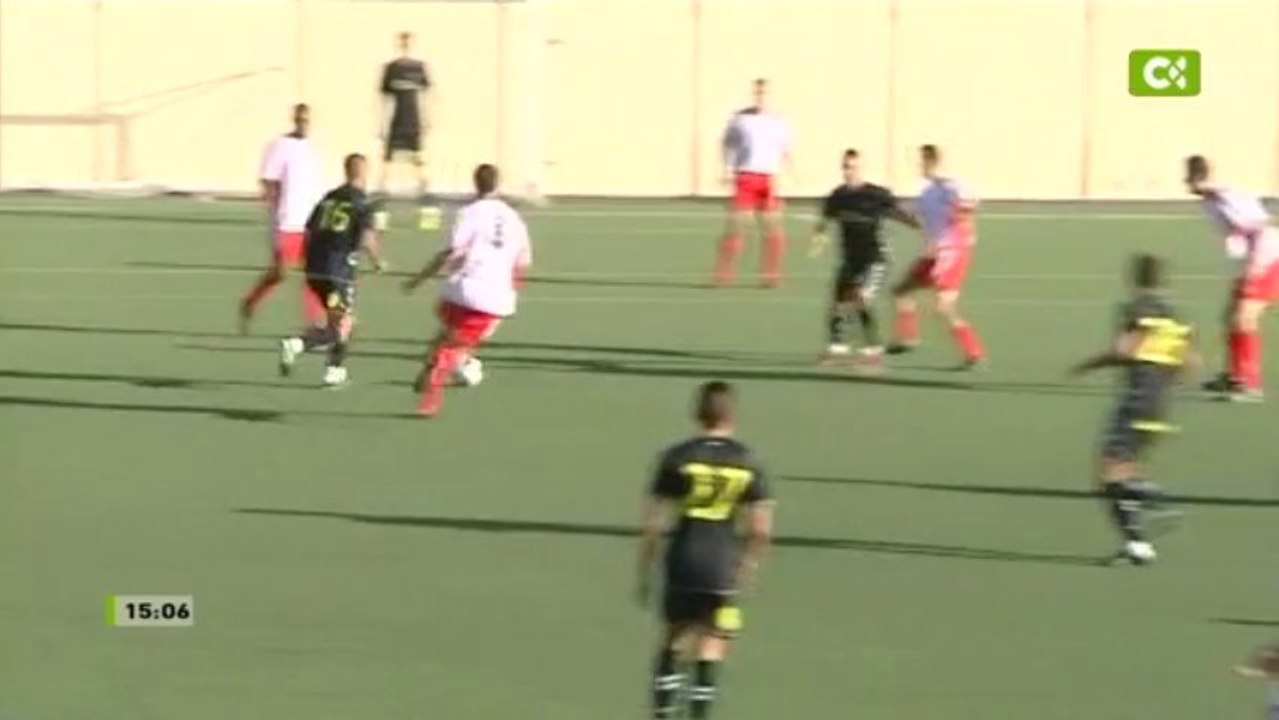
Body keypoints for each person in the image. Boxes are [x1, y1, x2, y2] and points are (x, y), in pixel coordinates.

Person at [637, 381, 774, 720]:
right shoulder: (749, 461)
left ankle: (663, 714)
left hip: (683, 559)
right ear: (733, 415)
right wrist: (747, 569)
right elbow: (760, 531)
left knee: (673, 639)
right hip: (723, 564)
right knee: (713, 645)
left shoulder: (677, 457)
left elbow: (653, 524)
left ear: (697, 413)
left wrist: (645, 572)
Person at [1069, 254, 1198, 566]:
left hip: (1136, 400)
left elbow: (1125, 350)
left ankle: (1158, 503)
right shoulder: (1174, 316)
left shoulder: (1137, 309)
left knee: (1108, 475)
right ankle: (1137, 545)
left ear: (1134, 277)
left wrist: (1086, 366)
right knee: (1127, 470)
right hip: (1159, 403)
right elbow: (1191, 363)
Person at [402, 163, 531, 417]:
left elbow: (452, 251)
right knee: (456, 347)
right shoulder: (514, 219)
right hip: (491, 295)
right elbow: (522, 263)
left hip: (459, 289)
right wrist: (511, 293)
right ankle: (432, 396)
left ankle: (432, 365)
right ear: (497, 183)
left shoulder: (469, 212)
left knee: (448, 333)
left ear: (476, 183)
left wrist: (419, 279)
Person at [278, 154, 388, 387]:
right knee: (344, 324)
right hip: (338, 272)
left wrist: (307, 260)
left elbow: (309, 230)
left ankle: (296, 344)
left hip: (315, 270)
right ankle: (334, 370)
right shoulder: (362, 203)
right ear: (363, 172)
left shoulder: (329, 198)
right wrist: (378, 262)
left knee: (334, 326)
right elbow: (368, 238)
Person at [810, 148, 920, 368]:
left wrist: (915, 222)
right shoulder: (838, 196)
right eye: (846, 166)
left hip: (875, 258)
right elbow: (825, 219)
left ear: (861, 168)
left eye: (853, 167)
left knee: (861, 297)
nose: (849, 171)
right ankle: (837, 347)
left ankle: (874, 349)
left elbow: (897, 212)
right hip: (851, 258)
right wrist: (819, 237)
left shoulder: (875, 195)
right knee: (839, 300)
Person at [1185, 154, 1279, 402]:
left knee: (1245, 319)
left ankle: (1250, 384)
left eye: (1190, 179)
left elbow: (1262, 227)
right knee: (1230, 317)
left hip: (1266, 259)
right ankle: (1233, 375)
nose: (1188, 186)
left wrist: (1256, 267)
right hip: (1246, 261)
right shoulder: (1210, 201)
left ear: (1198, 179)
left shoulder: (1228, 196)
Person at [886, 144, 985, 369]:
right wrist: (891, 212)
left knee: (944, 307)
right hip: (935, 252)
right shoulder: (926, 192)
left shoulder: (951, 185)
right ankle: (908, 338)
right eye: (921, 160)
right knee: (901, 291)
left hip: (952, 252)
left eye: (924, 161)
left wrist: (962, 223)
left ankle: (975, 353)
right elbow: (916, 220)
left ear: (933, 162)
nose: (921, 165)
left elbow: (970, 206)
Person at [240, 103, 325, 334]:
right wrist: (273, 212)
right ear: (293, 120)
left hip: (309, 222)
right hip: (286, 220)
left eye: (306, 121)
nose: (303, 124)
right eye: (300, 120)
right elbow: (269, 181)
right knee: (280, 273)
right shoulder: (279, 146)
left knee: (313, 273)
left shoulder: (312, 148)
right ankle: (250, 301)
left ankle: (314, 322)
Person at [716, 78, 793, 288]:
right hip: (745, 177)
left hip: (767, 179)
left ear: (770, 95)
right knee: (738, 226)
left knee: (773, 227)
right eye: (758, 93)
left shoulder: (779, 121)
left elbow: (785, 149)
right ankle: (723, 274)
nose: (761, 97)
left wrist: (791, 173)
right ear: (753, 94)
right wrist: (726, 169)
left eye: (764, 93)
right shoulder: (740, 119)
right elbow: (726, 144)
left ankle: (772, 276)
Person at [378, 32, 439, 231]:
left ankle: (426, 204)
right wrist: (381, 124)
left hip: (413, 121)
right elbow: (384, 100)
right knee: (387, 163)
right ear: (399, 44)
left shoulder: (419, 68)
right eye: (402, 42)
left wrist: (428, 119)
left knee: (419, 163)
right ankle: (381, 207)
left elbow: (427, 96)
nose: (405, 45)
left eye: (408, 42)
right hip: (397, 120)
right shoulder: (391, 69)